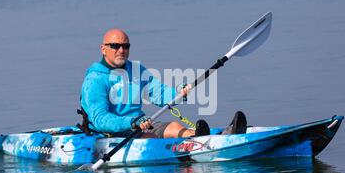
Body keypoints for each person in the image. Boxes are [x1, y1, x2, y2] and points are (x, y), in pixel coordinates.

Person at [80, 29, 246, 138]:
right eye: (115, 46)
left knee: (174, 126)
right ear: (103, 49)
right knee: (150, 137)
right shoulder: (95, 80)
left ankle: (207, 138)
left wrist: (179, 94)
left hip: (138, 126)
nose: (121, 50)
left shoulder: (135, 70)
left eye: (125, 46)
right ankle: (197, 143)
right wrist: (131, 122)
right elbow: (100, 118)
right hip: (110, 133)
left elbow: (158, 92)